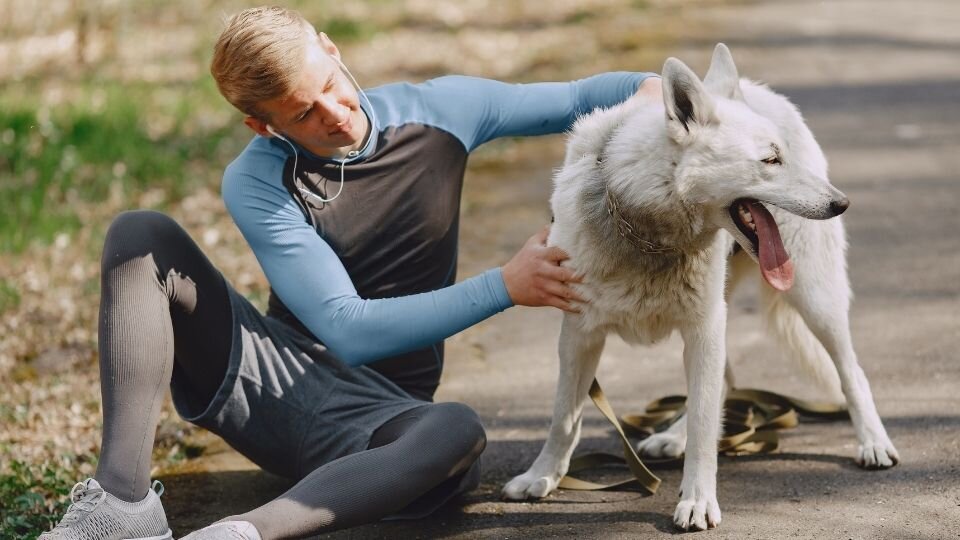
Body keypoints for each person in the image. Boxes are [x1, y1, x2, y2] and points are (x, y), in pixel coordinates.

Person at [38, 6, 660, 540]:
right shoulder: (257, 180)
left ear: (332, 49)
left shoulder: (442, 110)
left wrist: (655, 92)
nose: (335, 114)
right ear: (264, 126)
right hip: (277, 389)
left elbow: (589, 97)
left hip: (383, 422)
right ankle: (121, 507)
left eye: (331, 84)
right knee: (140, 234)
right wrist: (504, 286)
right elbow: (348, 329)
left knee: (457, 431)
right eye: (304, 115)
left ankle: (244, 532)